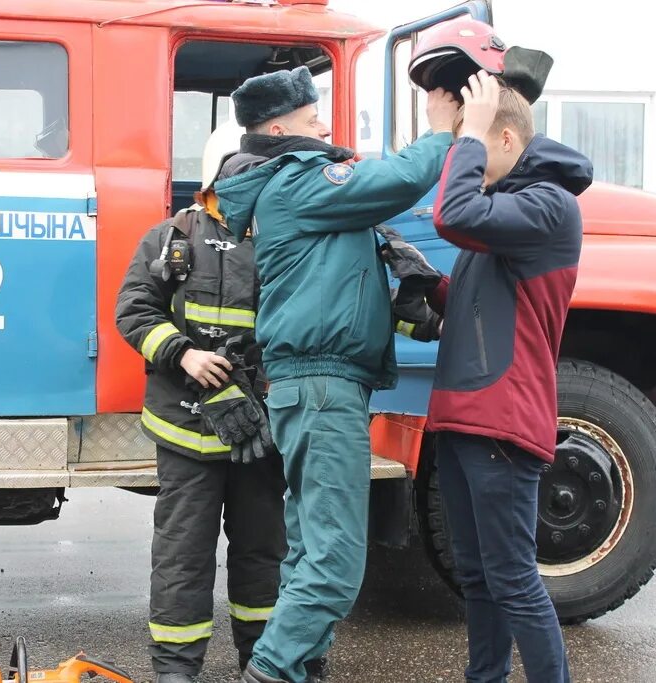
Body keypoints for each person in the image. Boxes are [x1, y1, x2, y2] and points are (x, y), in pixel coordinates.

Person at [213, 65, 459, 683]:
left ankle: (297, 669)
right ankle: (270, 672)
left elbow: (355, 287)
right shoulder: (298, 182)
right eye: (311, 116)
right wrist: (442, 130)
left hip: (313, 388)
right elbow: (402, 178)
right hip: (322, 390)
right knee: (336, 562)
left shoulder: (294, 193)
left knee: (306, 554)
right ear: (278, 127)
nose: (325, 124)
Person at [425, 72, 594, 682]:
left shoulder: (549, 204)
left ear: (501, 135)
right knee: (478, 576)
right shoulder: (511, 211)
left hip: (500, 418)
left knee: (514, 578)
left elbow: (453, 213)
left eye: (468, 140)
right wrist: (428, 286)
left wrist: (465, 134)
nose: (457, 153)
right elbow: (487, 304)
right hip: (468, 415)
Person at [115, 126, 287, 683]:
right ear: (220, 175)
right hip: (186, 435)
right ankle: (175, 673)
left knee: (262, 558)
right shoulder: (172, 236)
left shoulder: (288, 237)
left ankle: (260, 666)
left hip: (259, 434)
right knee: (182, 561)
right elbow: (134, 312)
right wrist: (183, 355)